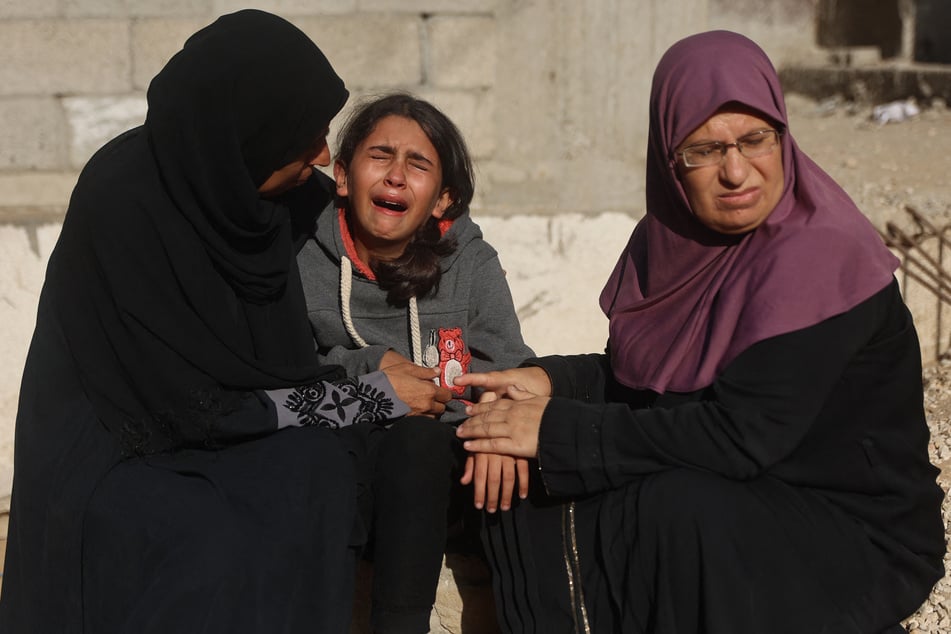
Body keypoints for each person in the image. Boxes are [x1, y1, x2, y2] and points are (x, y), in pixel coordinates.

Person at [455, 30, 946, 634]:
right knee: (538, 483)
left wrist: (556, 430)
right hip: (751, 489)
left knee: (675, 506)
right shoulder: (676, 244)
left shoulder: (820, 257)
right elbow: (652, 380)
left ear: (783, 138)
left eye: (754, 140)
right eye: (704, 151)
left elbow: (741, 436)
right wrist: (547, 381)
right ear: (669, 162)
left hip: (854, 529)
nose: (736, 172)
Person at [0, 11, 450, 634]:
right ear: (249, 136)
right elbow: (188, 410)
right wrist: (366, 397)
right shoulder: (125, 203)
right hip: (120, 448)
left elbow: (428, 230)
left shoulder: (269, 198)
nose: (322, 155)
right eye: (305, 138)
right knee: (211, 528)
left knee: (320, 470)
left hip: (235, 430)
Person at [297, 92, 534, 633]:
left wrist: (494, 419)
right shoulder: (302, 259)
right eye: (380, 155)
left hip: (444, 474)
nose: (396, 176)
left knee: (424, 443)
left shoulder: (471, 262)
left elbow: (510, 366)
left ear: (444, 198)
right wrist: (376, 372)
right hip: (345, 461)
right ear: (342, 175)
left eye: (418, 164)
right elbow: (293, 376)